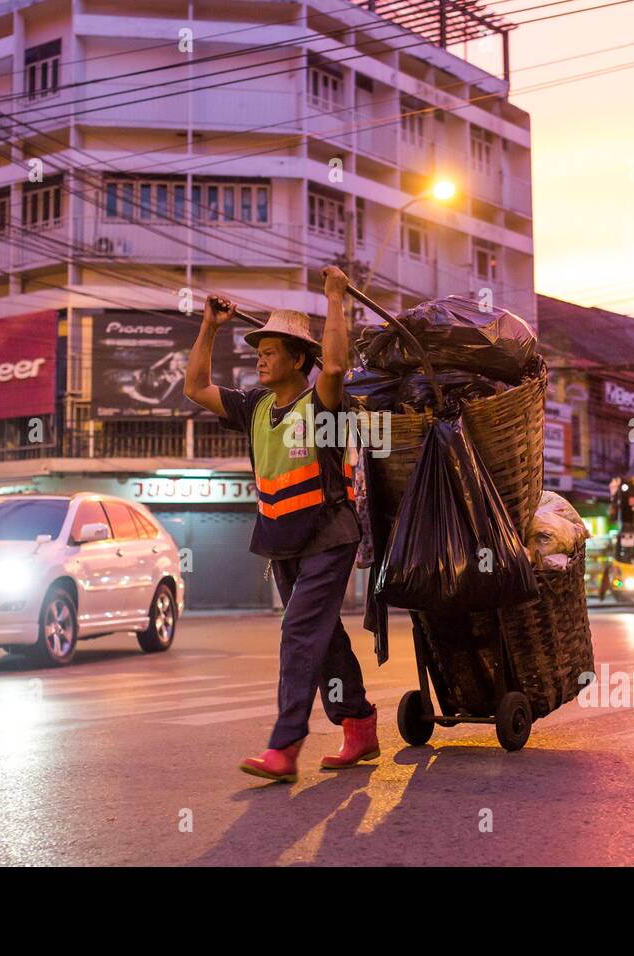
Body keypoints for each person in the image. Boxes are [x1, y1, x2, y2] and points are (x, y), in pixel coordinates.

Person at [183, 265, 378, 785]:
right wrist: (209, 326)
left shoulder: (322, 403)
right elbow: (195, 386)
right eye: (259, 351)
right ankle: (358, 722)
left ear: (299, 360)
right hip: (280, 539)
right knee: (322, 635)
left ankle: (285, 746)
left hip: (328, 534)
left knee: (298, 631)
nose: (260, 359)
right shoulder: (256, 406)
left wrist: (334, 298)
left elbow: (335, 368)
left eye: (271, 351)